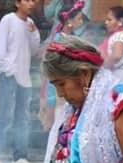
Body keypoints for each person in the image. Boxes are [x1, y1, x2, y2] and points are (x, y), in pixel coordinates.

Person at [0, 0, 41, 163]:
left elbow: (34, 50)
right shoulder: (8, 20)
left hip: (24, 77)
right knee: (6, 116)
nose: (31, 4)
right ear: (17, 3)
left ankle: (20, 157)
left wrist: (33, 34)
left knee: (22, 119)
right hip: (9, 75)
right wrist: (7, 69)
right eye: (27, 0)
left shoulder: (31, 24)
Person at [39, 1, 86, 131]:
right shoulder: (59, 40)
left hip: (69, 86)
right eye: (79, 18)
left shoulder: (69, 39)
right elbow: (52, 70)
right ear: (69, 21)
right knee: (59, 124)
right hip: (60, 88)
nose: (81, 21)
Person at [100, 6, 123, 85]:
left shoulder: (119, 36)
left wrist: (102, 68)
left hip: (120, 78)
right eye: (106, 20)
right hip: (120, 77)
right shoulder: (120, 35)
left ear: (120, 21)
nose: (106, 22)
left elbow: (116, 56)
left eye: (109, 20)